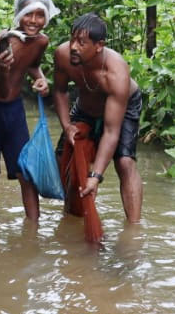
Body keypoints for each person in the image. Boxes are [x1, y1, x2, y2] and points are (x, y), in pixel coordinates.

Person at [0, 0, 58, 220]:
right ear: (19, 17)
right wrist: (3, 69)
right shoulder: (2, 43)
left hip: (14, 108)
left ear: (46, 17)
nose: (34, 20)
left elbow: (31, 65)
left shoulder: (42, 41)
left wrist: (42, 79)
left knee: (25, 171)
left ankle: (33, 231)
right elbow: (0, 90)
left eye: (39, 15)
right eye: (28, 14)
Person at [52, 12, 144, 223]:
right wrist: (67, 126)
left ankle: (134, 227)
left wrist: (96, 176)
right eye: (72, 39)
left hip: (125, 106)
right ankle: (72, 210)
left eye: (82, 42)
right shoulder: (63, 55)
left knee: (124, 162)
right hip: (85, 106)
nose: (74, 46)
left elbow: (111, 132)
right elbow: (60, 91)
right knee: (62, 156)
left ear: (99, 45)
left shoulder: (116, 72)